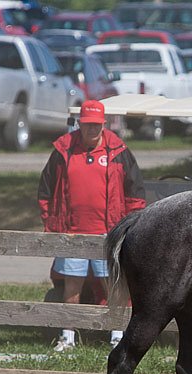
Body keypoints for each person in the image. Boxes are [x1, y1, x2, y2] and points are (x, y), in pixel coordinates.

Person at [38, 99, 146, 352]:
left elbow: (135, 194)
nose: (92, 130)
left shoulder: (119, 151)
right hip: (72, 233)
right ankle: (67, 336)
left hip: (109, 233)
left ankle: (117, 336)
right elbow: (45, 192)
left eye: (96, 125)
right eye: (87, 125)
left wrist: (131, 227)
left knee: (113, 284)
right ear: (80, 124)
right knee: (71, 284)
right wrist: (53, 224)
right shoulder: (63, 150)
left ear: (103, 124)